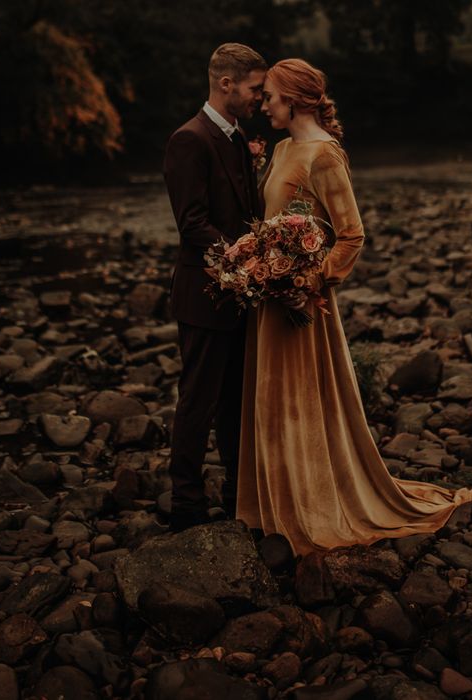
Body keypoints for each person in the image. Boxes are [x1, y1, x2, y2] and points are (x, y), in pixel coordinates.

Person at [236, 59, 472, 555]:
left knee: (302, 401)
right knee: (270, 400)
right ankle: (273, 505)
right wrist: (253, 260)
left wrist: (308, 277)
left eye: (270, 97)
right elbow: (272, 221)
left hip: (302, 300)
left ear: (295, 99)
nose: (263, 106)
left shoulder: (324, 156)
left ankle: (313, 505)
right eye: (262, 98)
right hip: (270, 296)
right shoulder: (282, 148)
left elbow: (351, 236)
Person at [163, 43, 267, 531]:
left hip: (238, 294)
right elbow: (193, 225)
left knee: (234, 402)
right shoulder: (190, 139)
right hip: (204, 295)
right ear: (226, 84)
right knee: (197, 402)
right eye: (253, 89)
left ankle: (235, 494)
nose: (259, 98)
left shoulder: (237, 136)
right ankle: (185, 504)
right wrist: (250, 257)